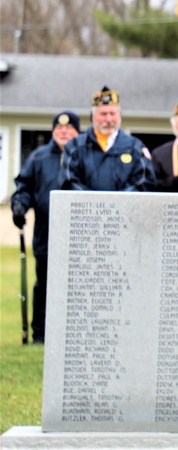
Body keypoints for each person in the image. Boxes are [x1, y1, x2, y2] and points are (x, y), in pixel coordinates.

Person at [11, 110, 80, 344]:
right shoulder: (39, 157)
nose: (64, 131)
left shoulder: (84, 155)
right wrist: (20, 206)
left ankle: (71, 336)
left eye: (69, 128)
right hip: (46, 234)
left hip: (79, 236)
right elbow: (24, 186)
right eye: (59, 128)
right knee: (44, 286)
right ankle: (40, 334)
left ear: (77, 132)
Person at [65, 86, 154, 191]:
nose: (108, 119)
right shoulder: (75, 147)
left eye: (112, 113)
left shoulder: (135, 147)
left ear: (120, 116)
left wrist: (116, 203)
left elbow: (143, 182)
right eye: (103, 114)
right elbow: (69, 181)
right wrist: (93, 204)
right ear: (93, 116)